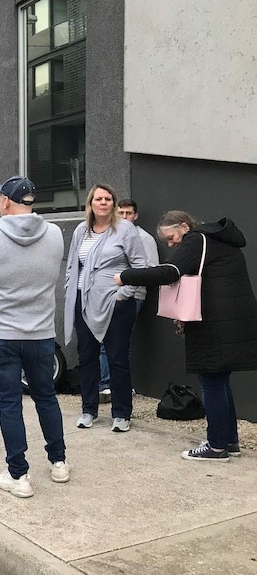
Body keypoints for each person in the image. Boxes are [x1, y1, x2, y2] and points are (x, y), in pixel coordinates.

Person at [116, 211, 257, 461]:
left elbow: (169, 272)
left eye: (171, 237)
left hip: (213, 322)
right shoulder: (219, 239)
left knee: (211, 381)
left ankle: (216, 447)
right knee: (220, 381)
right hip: (230, 319)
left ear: (184, 226)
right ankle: (228, 441)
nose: (171, 244)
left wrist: (125, 276)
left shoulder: (197, 238)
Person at [0, 176, 68, 498]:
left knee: (9, 403)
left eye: (1, 197)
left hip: (0, 334)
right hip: (40, 333)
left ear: (6, 202)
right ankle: (59, 462)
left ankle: (18, 475)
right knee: (46, 397)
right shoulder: (54, 233)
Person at [64, 184, 147, 432]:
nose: (103, 202)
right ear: (90, 203)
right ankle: (89, 410)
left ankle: (121, 413)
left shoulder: (125, 229)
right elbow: (72, 265)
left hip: (116, 304)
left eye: (108, 198)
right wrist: (72, 288)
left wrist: (125, 293)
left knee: (117, 359)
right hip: (84, 301)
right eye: (98, 198)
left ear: (113, 203)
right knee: (87, 357)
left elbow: (139, 265)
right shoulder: (82, 230)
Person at [98, 199, 161, 400]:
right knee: (103, 340)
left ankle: (117, 387)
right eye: (121, 213)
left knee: (119, 341)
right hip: (107, 296)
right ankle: (105, 385)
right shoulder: (110, 234)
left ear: (136, 216)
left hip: (133, 295)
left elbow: (151, 270)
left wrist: (129, 287)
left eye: (128, 213)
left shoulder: (145, 238)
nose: (125, 217)